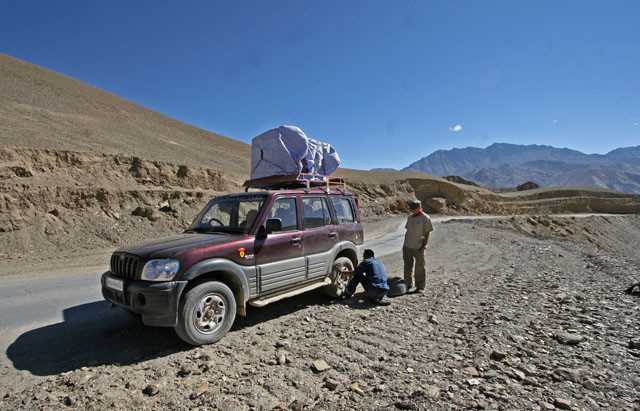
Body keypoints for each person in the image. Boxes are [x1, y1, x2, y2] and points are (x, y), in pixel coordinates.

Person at [403, 199, 433, 293]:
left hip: (419, 246)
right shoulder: (410, 217)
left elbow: (427, 233)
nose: (412, 211)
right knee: (407, 266)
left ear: (420, 208)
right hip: (407, 246)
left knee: (419, 267)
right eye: (411, 209)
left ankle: (420, 286)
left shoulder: (425, 218)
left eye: (414, 209)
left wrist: (424, 247)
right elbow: (408, 231)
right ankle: (407, 284)